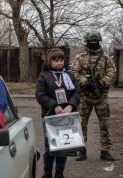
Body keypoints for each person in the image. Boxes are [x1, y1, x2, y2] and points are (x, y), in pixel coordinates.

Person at [71, 30, 117, 161]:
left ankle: (105, 150)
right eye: (91, 42)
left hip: (101, 97)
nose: (93, 44)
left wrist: (102, 82)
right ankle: (81, 150)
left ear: (99, 42)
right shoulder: (80, 57)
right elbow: (74, 72)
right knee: (81, 125)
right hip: (85, 97)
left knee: (105, 124)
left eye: (95, 42)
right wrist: (84, 81)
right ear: (86, 42)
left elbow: (112, 72)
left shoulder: (106, 57)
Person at [36, 48, 81, 178]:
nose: (59, 63)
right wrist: (54, 105)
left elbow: (77, 92)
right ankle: (47, 171)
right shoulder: (44, 76)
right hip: (50, 116)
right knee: (50, 144)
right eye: (55, 60)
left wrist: (71, 106)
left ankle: (60, 171)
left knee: (64, 146)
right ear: (49, 62)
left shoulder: (70, 75)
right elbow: (40, 95)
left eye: (61, 60)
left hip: (67, 116)